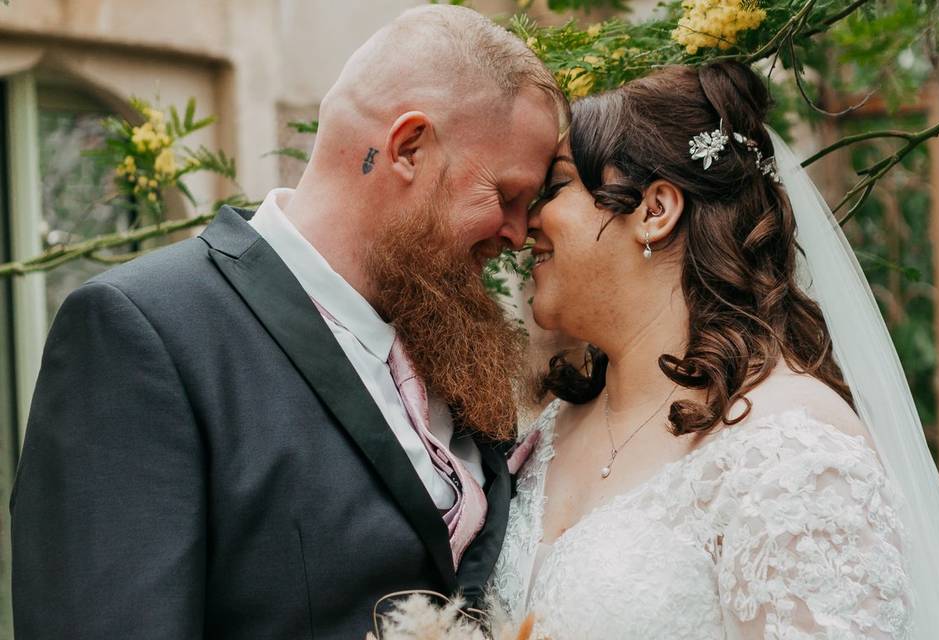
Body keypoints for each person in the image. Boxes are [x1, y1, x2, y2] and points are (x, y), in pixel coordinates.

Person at [11, 5, 564, 639]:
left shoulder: (450, 335)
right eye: (507, 197)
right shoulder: (145, 333)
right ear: (409, 147)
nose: (519, 235)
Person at [493, 60, 939, 638]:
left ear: (654, 211)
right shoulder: (547, 431)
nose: (528, 220)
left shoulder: (789, 448)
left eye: (558, 186)